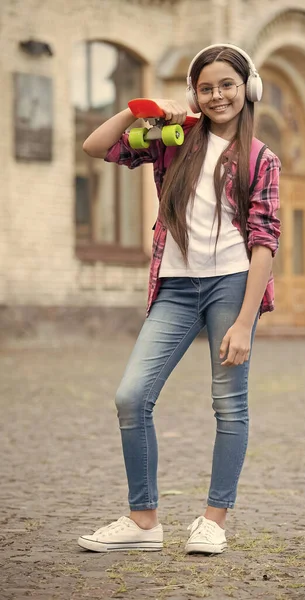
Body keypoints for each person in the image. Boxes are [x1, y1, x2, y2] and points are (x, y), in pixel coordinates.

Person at [78, 43, 281, 555]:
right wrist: (139, 109)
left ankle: (214, 518)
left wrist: (243, 320)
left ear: (247, 89)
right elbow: (95, 146)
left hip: (233, 284)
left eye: (227, 85)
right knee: (131, 396)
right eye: (207, 87)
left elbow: (265, 241)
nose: (218, 96)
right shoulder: (173, 140)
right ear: (195, 93)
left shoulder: (262, 159)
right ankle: (144, 520)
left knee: (228, 403)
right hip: (174, 285)